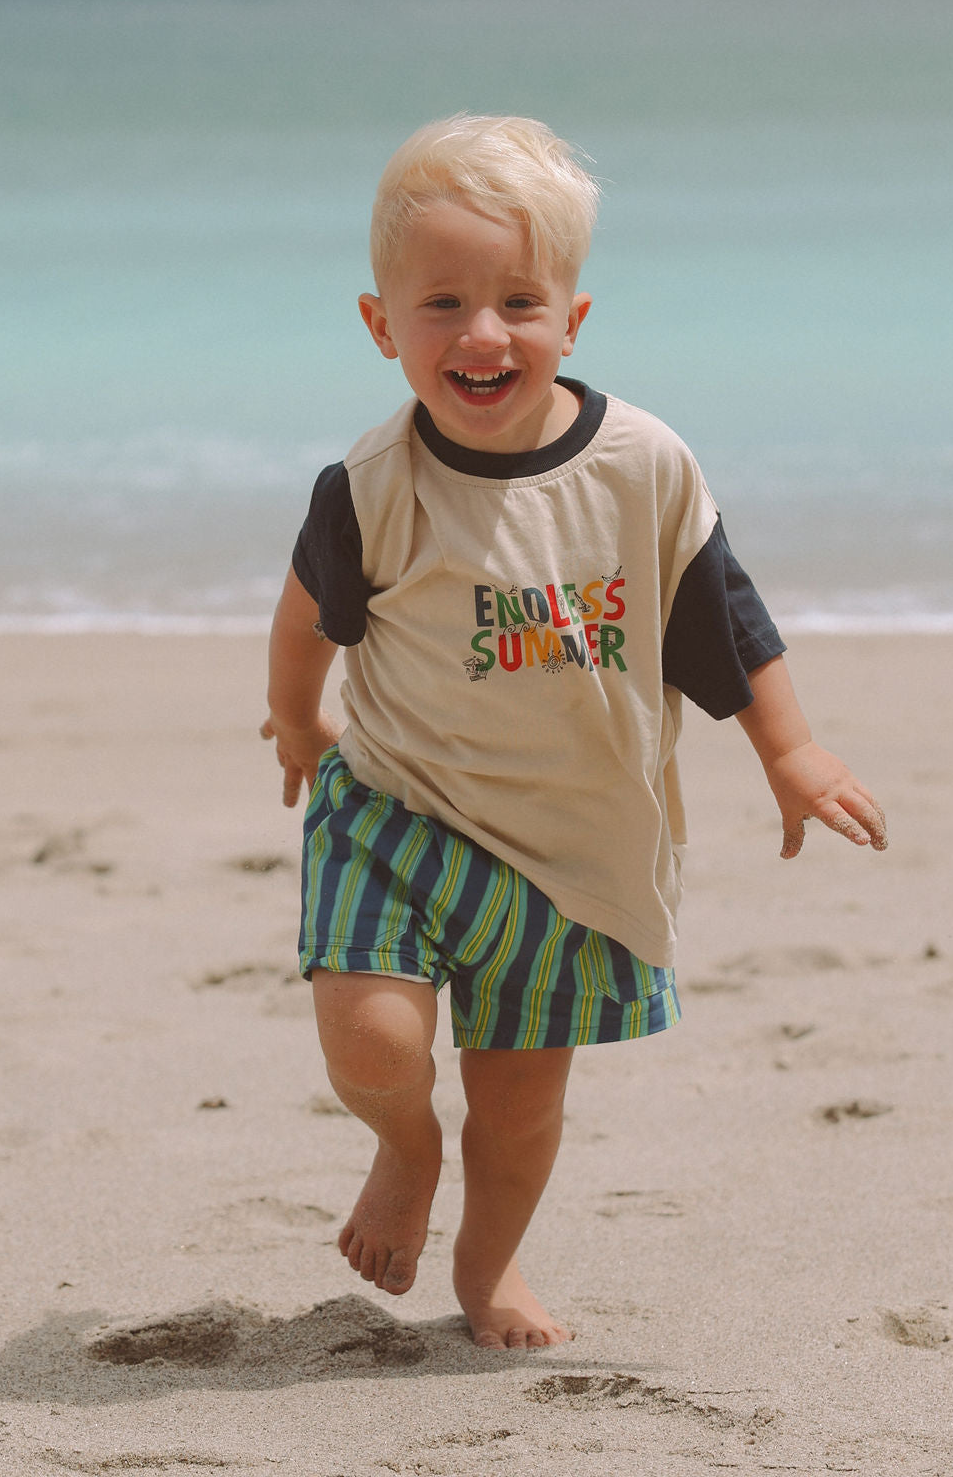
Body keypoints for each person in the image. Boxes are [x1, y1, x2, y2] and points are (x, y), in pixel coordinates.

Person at [260, 114, 887, 1351]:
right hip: (398, 807)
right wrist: (295, 722)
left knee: (521, 1103)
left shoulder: (642, 469)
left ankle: (487, 1272)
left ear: (573, 321)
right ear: (382, 326)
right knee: (375, 1038)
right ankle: (401, 1144)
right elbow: (304, 614)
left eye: (518, 302)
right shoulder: (374, 483)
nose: (482, 334)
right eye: (441, 304)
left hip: (572, 855)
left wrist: (791, 753)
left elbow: (722, 622)